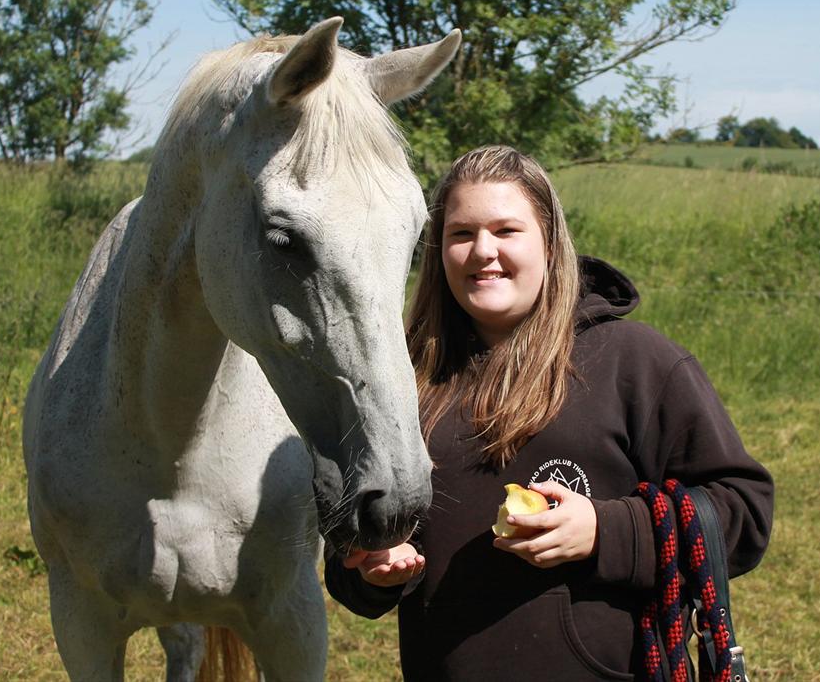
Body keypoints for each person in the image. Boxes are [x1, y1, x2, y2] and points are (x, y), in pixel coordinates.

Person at [325, 145, 773, 681]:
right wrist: (375, 571)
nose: (482, 251)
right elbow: (350, 561)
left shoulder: (636, 363)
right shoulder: (402, 378)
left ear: (551, 244)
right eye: (461, 234)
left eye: (506, 231)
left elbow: (745, 514)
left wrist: (605, 531)